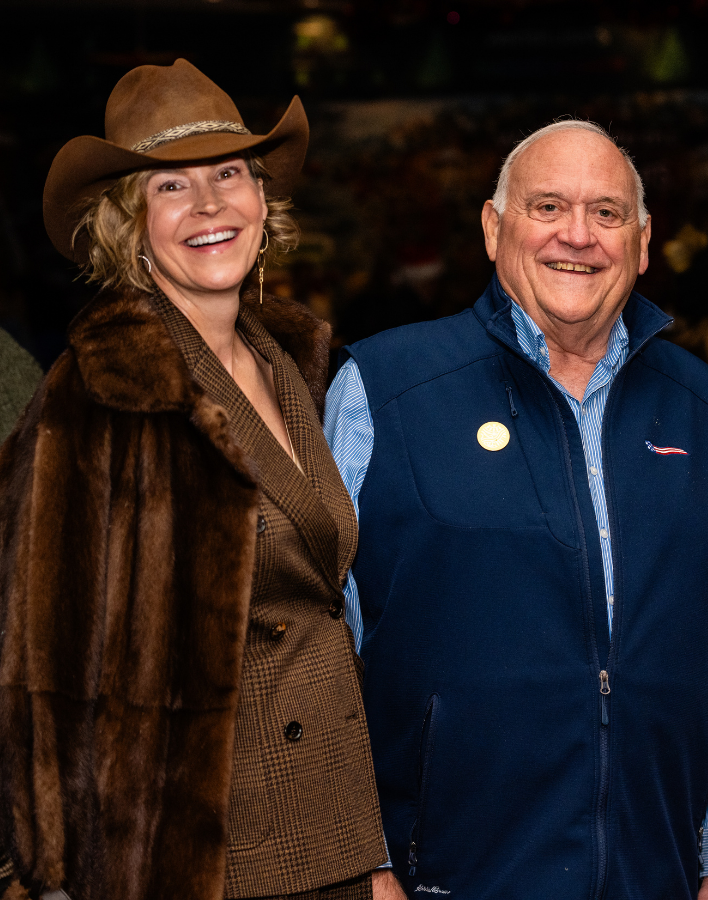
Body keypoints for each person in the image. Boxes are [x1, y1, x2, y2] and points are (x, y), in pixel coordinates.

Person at [324, 119, 708, 900]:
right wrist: (364, 862)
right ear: (495, 229)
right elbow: (320, 650)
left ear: (642, 241)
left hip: (657, 875)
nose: (578, 236)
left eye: (606, 213)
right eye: (548, 207)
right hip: (442, 879)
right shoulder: (383, 391)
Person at [0, 60, 386, 900]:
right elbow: (39, 664)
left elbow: (323, 621)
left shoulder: (303, 368)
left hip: (341, 834)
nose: (210, 205)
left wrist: (377, 853)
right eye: (170, 186)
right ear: (128, 225)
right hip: (202, 855)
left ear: (262, 201)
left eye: (228, 175)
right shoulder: (96, 395)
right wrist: (54, 877)